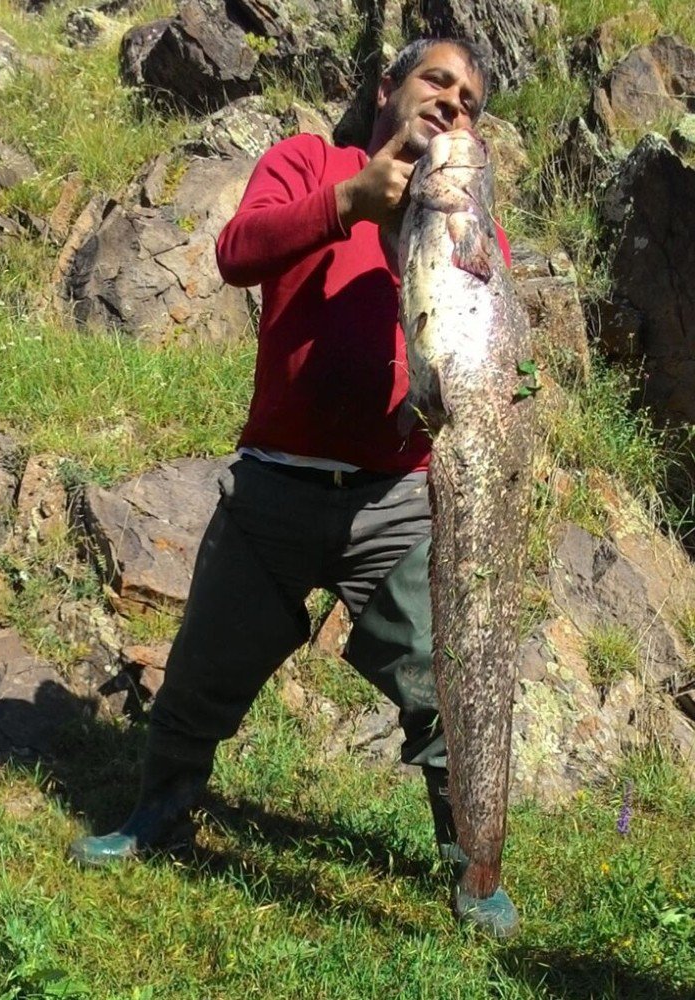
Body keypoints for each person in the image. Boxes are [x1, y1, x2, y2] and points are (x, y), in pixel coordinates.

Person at [69, 37, 520, 939]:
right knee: (201, 675)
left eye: (469, 99)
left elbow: (491, 334)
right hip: (277, 485)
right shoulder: (309, 161)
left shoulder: (470, 214)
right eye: (437, 80)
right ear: (388, 88)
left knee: (444, 681)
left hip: (396, 499)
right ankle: (160, 811)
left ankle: (472, 866)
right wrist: (351, 203)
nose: (452, 103)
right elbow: (238, 251)